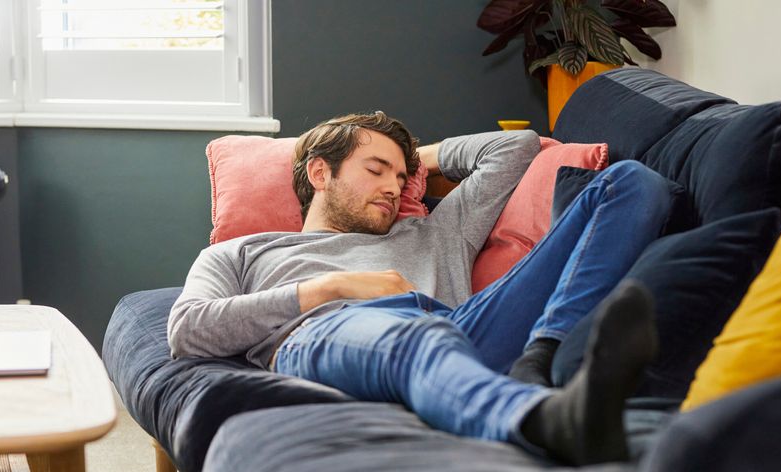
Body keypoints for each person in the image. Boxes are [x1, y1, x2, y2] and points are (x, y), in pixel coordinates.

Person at [168, 112, 673, 465]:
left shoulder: (437, 229)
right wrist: (331, 287)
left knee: (630, 183)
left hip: (461, 327)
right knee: (413, 336)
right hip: (328, 333)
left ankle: (539, 358)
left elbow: (515, 146)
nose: (394, 186)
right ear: (320, 172)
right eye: (375, 170)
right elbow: (187, 330)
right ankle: (546, 419)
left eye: (401, 175)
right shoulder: (243, 251)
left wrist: (415, 157)